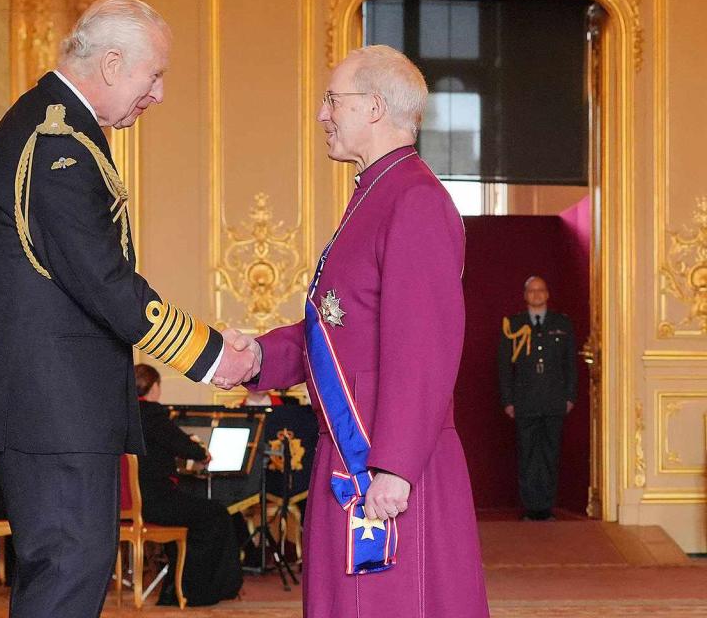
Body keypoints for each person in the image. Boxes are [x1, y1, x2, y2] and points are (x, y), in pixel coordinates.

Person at [0, 0, 257, 618]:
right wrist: (209, 354)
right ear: (114, 63)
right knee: (68, 575)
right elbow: (102, 279)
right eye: (156, 75)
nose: (160, 93)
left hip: (53, 406)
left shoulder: (59, 126)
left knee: (68, 574)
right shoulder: (56, 140)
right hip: (52, 407)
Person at [225, 45, 489, 616]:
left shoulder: (414, 199)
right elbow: (338, 330)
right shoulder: (374, 194)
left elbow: (424, 347)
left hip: (388, 470)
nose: (323, 114)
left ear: (373, 107)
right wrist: (257, 359)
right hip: (352, 456)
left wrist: (394, 466)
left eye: (332, 101)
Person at [134, 364, 242, 606]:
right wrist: (201, 452)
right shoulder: (151, 413)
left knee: (199, 511)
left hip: (128, 503)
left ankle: (175, 583)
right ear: (154, 387)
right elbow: (186, 447)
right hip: (155, 502)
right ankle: (194, 590)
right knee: (216, 514)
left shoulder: (124, 414)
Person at [498, 275, 577, 521]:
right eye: (531, 291)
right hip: (526, 401)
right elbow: (503, 366)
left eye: (541, 290)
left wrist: (570, 396)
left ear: (547, 294)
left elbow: (570, 365)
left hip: (554, 401)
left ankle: (546, 507)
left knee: (550, 454)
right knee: (528, 455)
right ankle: (531, 507)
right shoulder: (513, 325)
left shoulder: (561, 323)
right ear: (525, 295)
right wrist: (508, 400)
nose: (536, 294)